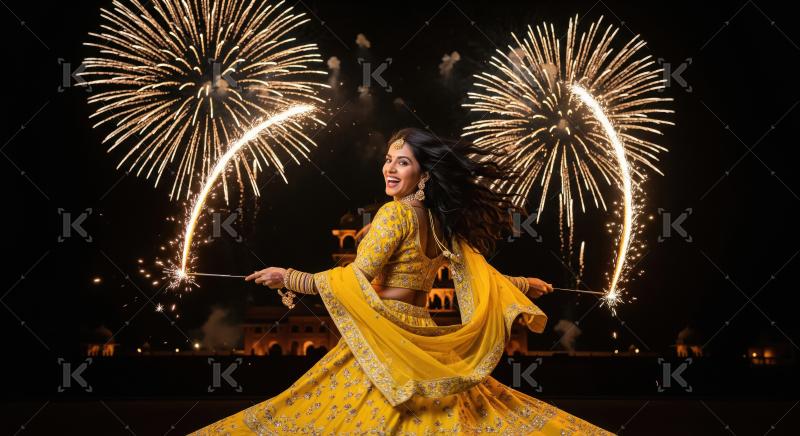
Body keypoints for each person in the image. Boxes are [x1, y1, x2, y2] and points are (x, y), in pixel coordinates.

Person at [189, 128, 613, 434]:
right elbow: (479, 274)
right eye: (388, 160)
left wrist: (289, 277)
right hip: (420, 330)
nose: (389, 169)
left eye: (402, 162)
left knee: (319, 411)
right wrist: (523, 284)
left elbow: (356, 278)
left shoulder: (394, 214)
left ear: (424, 174)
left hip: (385, 331)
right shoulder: (438, 222)